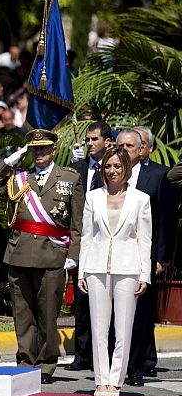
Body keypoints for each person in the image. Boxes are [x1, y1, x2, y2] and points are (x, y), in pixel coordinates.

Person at [0, 129, 83, 384]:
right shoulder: (19, 178)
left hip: (52, 254)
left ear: (53, 150)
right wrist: (9, 161)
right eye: (34, 149)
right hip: (19, 253)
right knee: (23, 313)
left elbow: (77, 224)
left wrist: (73, 254)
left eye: (43, 148)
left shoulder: (69, 179)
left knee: (48, 314)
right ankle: (25, 362)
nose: (39, 153)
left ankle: (46, 365)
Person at [78, 147, 151, 396]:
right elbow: (86, 237)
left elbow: (145, 240)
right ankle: (101, 380)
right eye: (108, 166)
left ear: (126, 169)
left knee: (123, 329)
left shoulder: (141, 199)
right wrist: (81, 273)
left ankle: (116, 380)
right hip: (96, 269)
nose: (112, 171)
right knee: (98, 328)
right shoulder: (93, 198)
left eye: (117, 166)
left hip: (128, 269)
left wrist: (145, 275)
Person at [116, 128, 177, 386]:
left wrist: (162, 258)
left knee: (139, 314)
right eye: (119, 146)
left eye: (129, 146)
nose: (123, 151)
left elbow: (166, 220)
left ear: (142, 150)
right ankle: (115, 365)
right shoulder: (108, 176)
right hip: (114, 255)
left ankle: (136, 367)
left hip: (144, 256)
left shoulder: (158, 177)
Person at [66, 121, 113, 372]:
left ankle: (103, 355)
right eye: (87, 140)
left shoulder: (115, 168)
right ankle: (82, 354)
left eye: (94, 139)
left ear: (108, 141)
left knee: (109, 301)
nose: (90, 144)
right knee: (82, 300)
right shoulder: (77, 169)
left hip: (108, 240)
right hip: (83, 240)